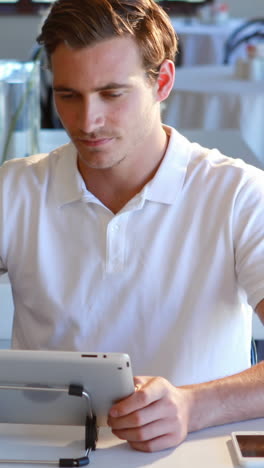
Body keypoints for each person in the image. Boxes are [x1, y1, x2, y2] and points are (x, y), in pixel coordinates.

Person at [1, 0, 264, 453]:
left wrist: (192, 405)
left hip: (195, 454)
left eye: (112, 94)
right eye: (68, 95)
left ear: (162, 82)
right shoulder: (15, 189)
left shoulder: (239, 194)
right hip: (44, 452)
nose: (88, 122)